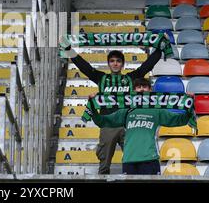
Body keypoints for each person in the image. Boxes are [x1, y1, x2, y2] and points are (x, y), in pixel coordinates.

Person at [59, 36, 164, 174]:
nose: (115, 63)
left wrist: (160, 48)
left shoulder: (130, 78)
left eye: (118, 61)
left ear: (123, 64)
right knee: (104, 164)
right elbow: (84, 66)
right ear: (108, 63)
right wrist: (68, 50)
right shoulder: (102, 78)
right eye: (112, 61)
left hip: (128, 124)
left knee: (133, 158)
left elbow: (147, 65)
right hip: (108, 124)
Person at [87, 77, 195, 175]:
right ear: (133, 91)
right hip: (129, 160)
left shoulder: (157, 110)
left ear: (150, 91)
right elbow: (102, 122)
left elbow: (179, 120)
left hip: (150, 160)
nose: (142, 89)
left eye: (145, 87)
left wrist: (189, 107)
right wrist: (93, 108)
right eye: (138, 87)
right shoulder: (126, 111)